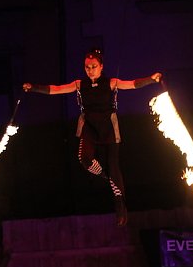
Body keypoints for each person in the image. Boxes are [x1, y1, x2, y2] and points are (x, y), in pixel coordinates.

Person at [23, 48, 163, 226]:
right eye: (87, 67)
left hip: (109, 126)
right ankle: (106, 176)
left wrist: (152, 79)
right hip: (89, 126)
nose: (90, 70)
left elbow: (133, 84)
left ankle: (120, 204)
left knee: (114, 165)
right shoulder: (80, 85)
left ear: (101, 66)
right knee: (84, 159)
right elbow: (56, 89)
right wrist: (33, 87)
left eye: (94, 66)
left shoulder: (111, 82)